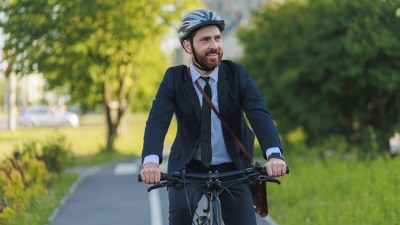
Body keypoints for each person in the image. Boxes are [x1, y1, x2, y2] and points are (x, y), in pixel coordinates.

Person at [140, 9, 286, 225]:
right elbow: (157, 121)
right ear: (188, 46)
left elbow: (258, 113)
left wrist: (274, 155)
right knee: (179, 215)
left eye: (217, 38)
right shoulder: (174, 79)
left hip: (233, 167)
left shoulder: (236, 74)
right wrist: (151, 162)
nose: (214, 46)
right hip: (189, 168)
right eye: (205, 40)